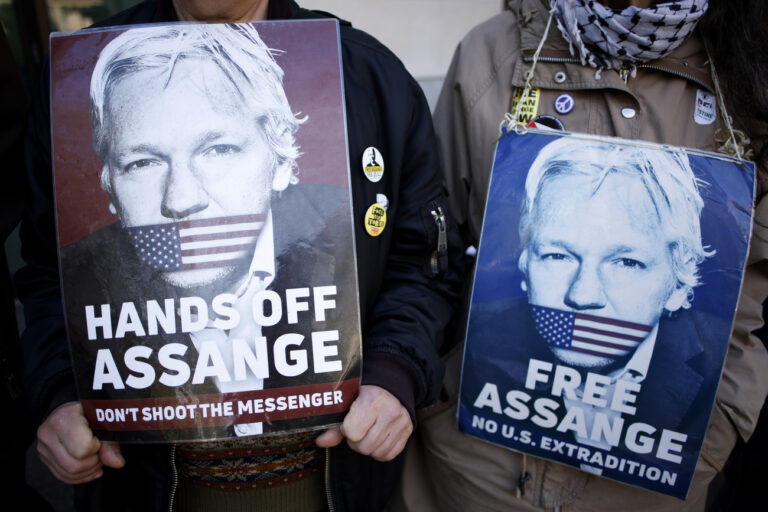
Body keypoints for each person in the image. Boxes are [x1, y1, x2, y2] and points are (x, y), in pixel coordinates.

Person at [16, 1, 463, 511]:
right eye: (142, 161)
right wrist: (58, 395)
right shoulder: (70, 80)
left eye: (219, 150)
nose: (181, 199)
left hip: (339, 490)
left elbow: (422, 263)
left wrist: (392, 374)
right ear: (109, 187)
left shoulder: (367, 74)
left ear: (279, 159)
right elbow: (44, 281)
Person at [393, 0, 768, 511]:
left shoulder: (748, 66)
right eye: (556, 256)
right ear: (526, 265)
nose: (583, 295)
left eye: (628, 262)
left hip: (645, 490)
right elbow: (430, 254)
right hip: (471, 472)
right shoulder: (492, 55)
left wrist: (719, 421)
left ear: (683, 280)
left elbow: (749, 291)